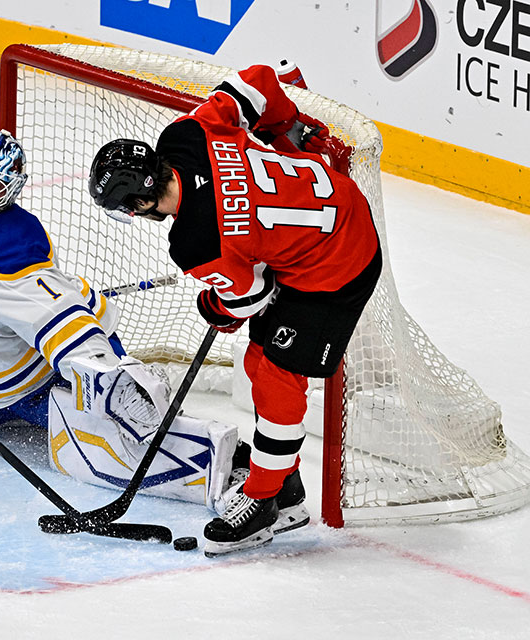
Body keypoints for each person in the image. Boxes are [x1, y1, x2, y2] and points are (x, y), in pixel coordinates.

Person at [88, 64, 381, 555]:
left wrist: (215, 304)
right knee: (255, 360)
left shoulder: (196, 242)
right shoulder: (186, 134)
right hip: (330, 213)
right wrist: (288, 129)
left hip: (339, 265)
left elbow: (251, 298)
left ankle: (266, 501)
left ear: (138, 203)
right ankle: (283, 483)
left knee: (277, 376)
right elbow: (260, 81)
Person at [0, 130, 242, 515]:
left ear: (13, 190)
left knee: (119, 433)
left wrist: (114, 383)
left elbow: (63, 322)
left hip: (43, 379)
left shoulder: (11, 247)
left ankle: (228, 463)